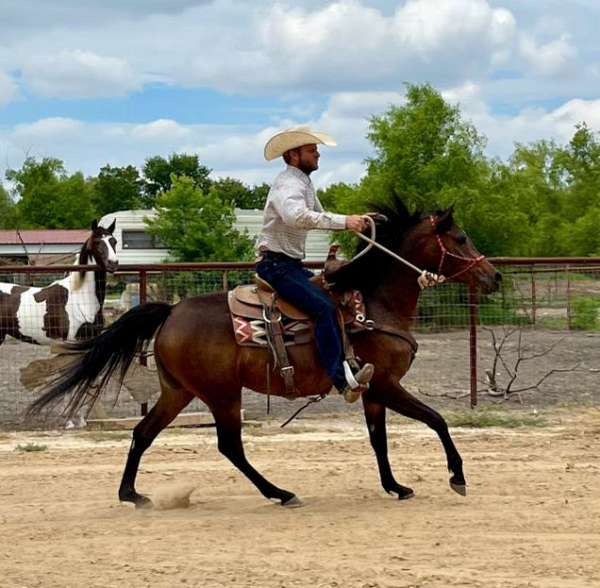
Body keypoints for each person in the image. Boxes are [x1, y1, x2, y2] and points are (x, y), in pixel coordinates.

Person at [256, 126, 374, 403]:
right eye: (312, 150)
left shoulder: (303, 183)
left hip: (289, 265)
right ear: (293, 155)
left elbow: (318, 215)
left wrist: (355, 219)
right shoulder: (289, 185)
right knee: (324, 309)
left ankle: (346, 363)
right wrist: (345, 221)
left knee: (335, 298)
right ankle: (340, 380)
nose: (317, 154)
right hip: (277, 267)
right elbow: (297, 217)